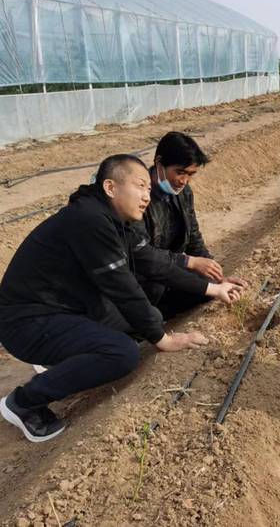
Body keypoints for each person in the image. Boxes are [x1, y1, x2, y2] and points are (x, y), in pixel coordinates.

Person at [0, 154, 243, 443]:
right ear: (110, 187)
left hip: (69, 309)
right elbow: (121, 286)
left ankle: (66, 355)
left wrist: (210, 287)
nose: (145, 196)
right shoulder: (88, 220)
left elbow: (155, 263)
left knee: (143, 316)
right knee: (122, 353)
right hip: (27, 323)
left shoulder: (113, 223)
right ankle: (24, 402)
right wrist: (162, 339)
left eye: (148, 190)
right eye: (140, 186)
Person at [132, 131, 247, 320]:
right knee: (154, 295)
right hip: (144, 276)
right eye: (180, 172)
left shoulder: (184, 193)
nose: (184, 181)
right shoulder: (138, 198)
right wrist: (188, 262)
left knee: (206, 286)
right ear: (159, 163)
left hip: (170, 269)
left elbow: (193, 235)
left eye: (191, 174)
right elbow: (142, 255)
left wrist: (216, 277)